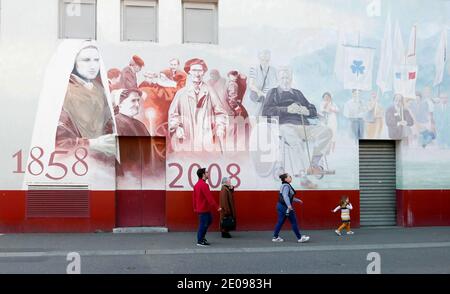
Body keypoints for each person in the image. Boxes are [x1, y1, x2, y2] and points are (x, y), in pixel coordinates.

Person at [262, 67, 333, 184]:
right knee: (296, 140)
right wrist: (287, 109)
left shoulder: (297, 93)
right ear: (278, 79)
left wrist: (307, 111)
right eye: (282, 78)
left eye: (287, 78)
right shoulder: (273, 92)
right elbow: (266, 111)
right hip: (285, 126)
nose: (285, 80)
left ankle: (314, 164)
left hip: (304, 126)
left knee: (327, 132)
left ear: (291, 79)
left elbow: (312, 108)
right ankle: (304, 171)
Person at [55, 44, 116, 160]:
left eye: (96, 60)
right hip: (76, 160)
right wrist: (91, 144)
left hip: (103, 158)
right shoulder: (63, 91)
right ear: (73, 62)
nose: (93, 66)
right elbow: (58, 139)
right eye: (86, 60)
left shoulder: (99, 89)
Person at [168, 58, 228, 152]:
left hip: (206, 137)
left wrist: (220, 127)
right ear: (189, 72)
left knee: (206, 162)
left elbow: (220, 113)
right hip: (187, 137)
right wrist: (177, 128)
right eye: (194, 70)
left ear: (203, 72)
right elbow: (173, 115)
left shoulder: (210, 91)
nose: (197, 74)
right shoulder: (181, 93)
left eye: (200, 70)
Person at [272, 173, 310, 243]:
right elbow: (285, 196)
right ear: (286, 179)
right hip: (285, 207)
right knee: (293, 222)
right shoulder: (286, 186)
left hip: (280, 205)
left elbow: (289, 197)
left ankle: (275, 237)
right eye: (289, 177)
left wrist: (297, 200)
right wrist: (289, 206)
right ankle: (300, 238)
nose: (291, 177)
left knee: (280, 222)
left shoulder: (283, 185)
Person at [193, 168, 222, 247]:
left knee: (209, 221)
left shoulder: (196, 185)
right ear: (203, 174)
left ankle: (202, 237)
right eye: (206, 172)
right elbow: (210, 198)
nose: (208, 173)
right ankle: (200, 240)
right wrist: (217, 207)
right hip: (203, 209)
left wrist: (195, 208)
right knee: (203, 224)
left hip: (202, 208)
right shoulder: (204, 185)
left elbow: (194, 198)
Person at [248, 50, 278, 116]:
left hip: (269, 99)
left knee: (268, 117)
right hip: (257, 99)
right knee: (255, 116)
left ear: (269, 59)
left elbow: (276, 84)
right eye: (262, 59)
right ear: (259, 58)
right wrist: (261, 93)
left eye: (266, 60)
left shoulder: (273, 70)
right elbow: (251, 85)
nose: (264, 62)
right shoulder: (254, 69)